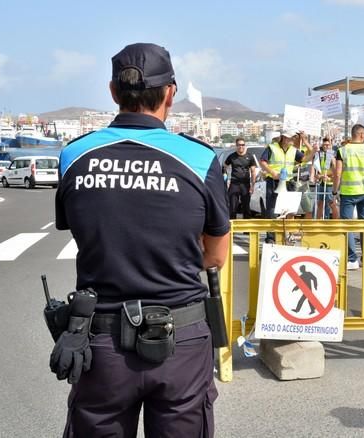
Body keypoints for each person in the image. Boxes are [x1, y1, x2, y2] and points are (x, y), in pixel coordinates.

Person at [53, 43, 229, 437]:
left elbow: (78, 230)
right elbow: (215, 254)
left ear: (114, 92)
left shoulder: (75, 154)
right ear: (171, 92)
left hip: (101, 341)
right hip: (180, 339)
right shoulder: (199, 159)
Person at [333, 124, 364, 270]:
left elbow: (337, 173)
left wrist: (334, 191)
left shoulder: (342, 151)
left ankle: (352, 259)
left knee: (348, 226)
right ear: (362, 134)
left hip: (348, 192)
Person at [260, 130, 315, 243]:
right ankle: (271, 237)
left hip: (288, 182)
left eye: (293, 138)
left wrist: (313, 151)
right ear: (284, 138)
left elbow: (304, 159)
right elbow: (263, 162)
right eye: (291, 138)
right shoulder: (272, 147)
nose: (293, 140)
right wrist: (273, 173)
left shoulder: (293, 150)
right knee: (272, 210)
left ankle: (287, 234)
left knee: (289, 209)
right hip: (274, 181)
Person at [224, 137, 256, 219]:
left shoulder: (250, 157)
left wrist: (252, 186)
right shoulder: (232, 156)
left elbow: (253, 172)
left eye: (242, 145)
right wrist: (226, 180)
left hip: (245, 184)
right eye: (239, 145)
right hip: (234, 184)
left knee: (246, 207)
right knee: (232, 207)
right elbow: (224, 167)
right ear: (236, 146)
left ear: (245, 145)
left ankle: (247, 231)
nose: (241, 146)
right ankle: (232, 229)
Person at [310, 137, 339, 219]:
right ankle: (319, 221)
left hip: (329, 183)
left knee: (332, 203)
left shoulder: (333, 154)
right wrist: (317, 176)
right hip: (321, 182)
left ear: (331, 145)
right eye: (324, 144)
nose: (326, 146)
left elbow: (336, 170)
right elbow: (315, 167)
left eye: (328, 145)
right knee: (320, 203)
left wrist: (328, 176)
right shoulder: (319, 154)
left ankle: (336, 222)